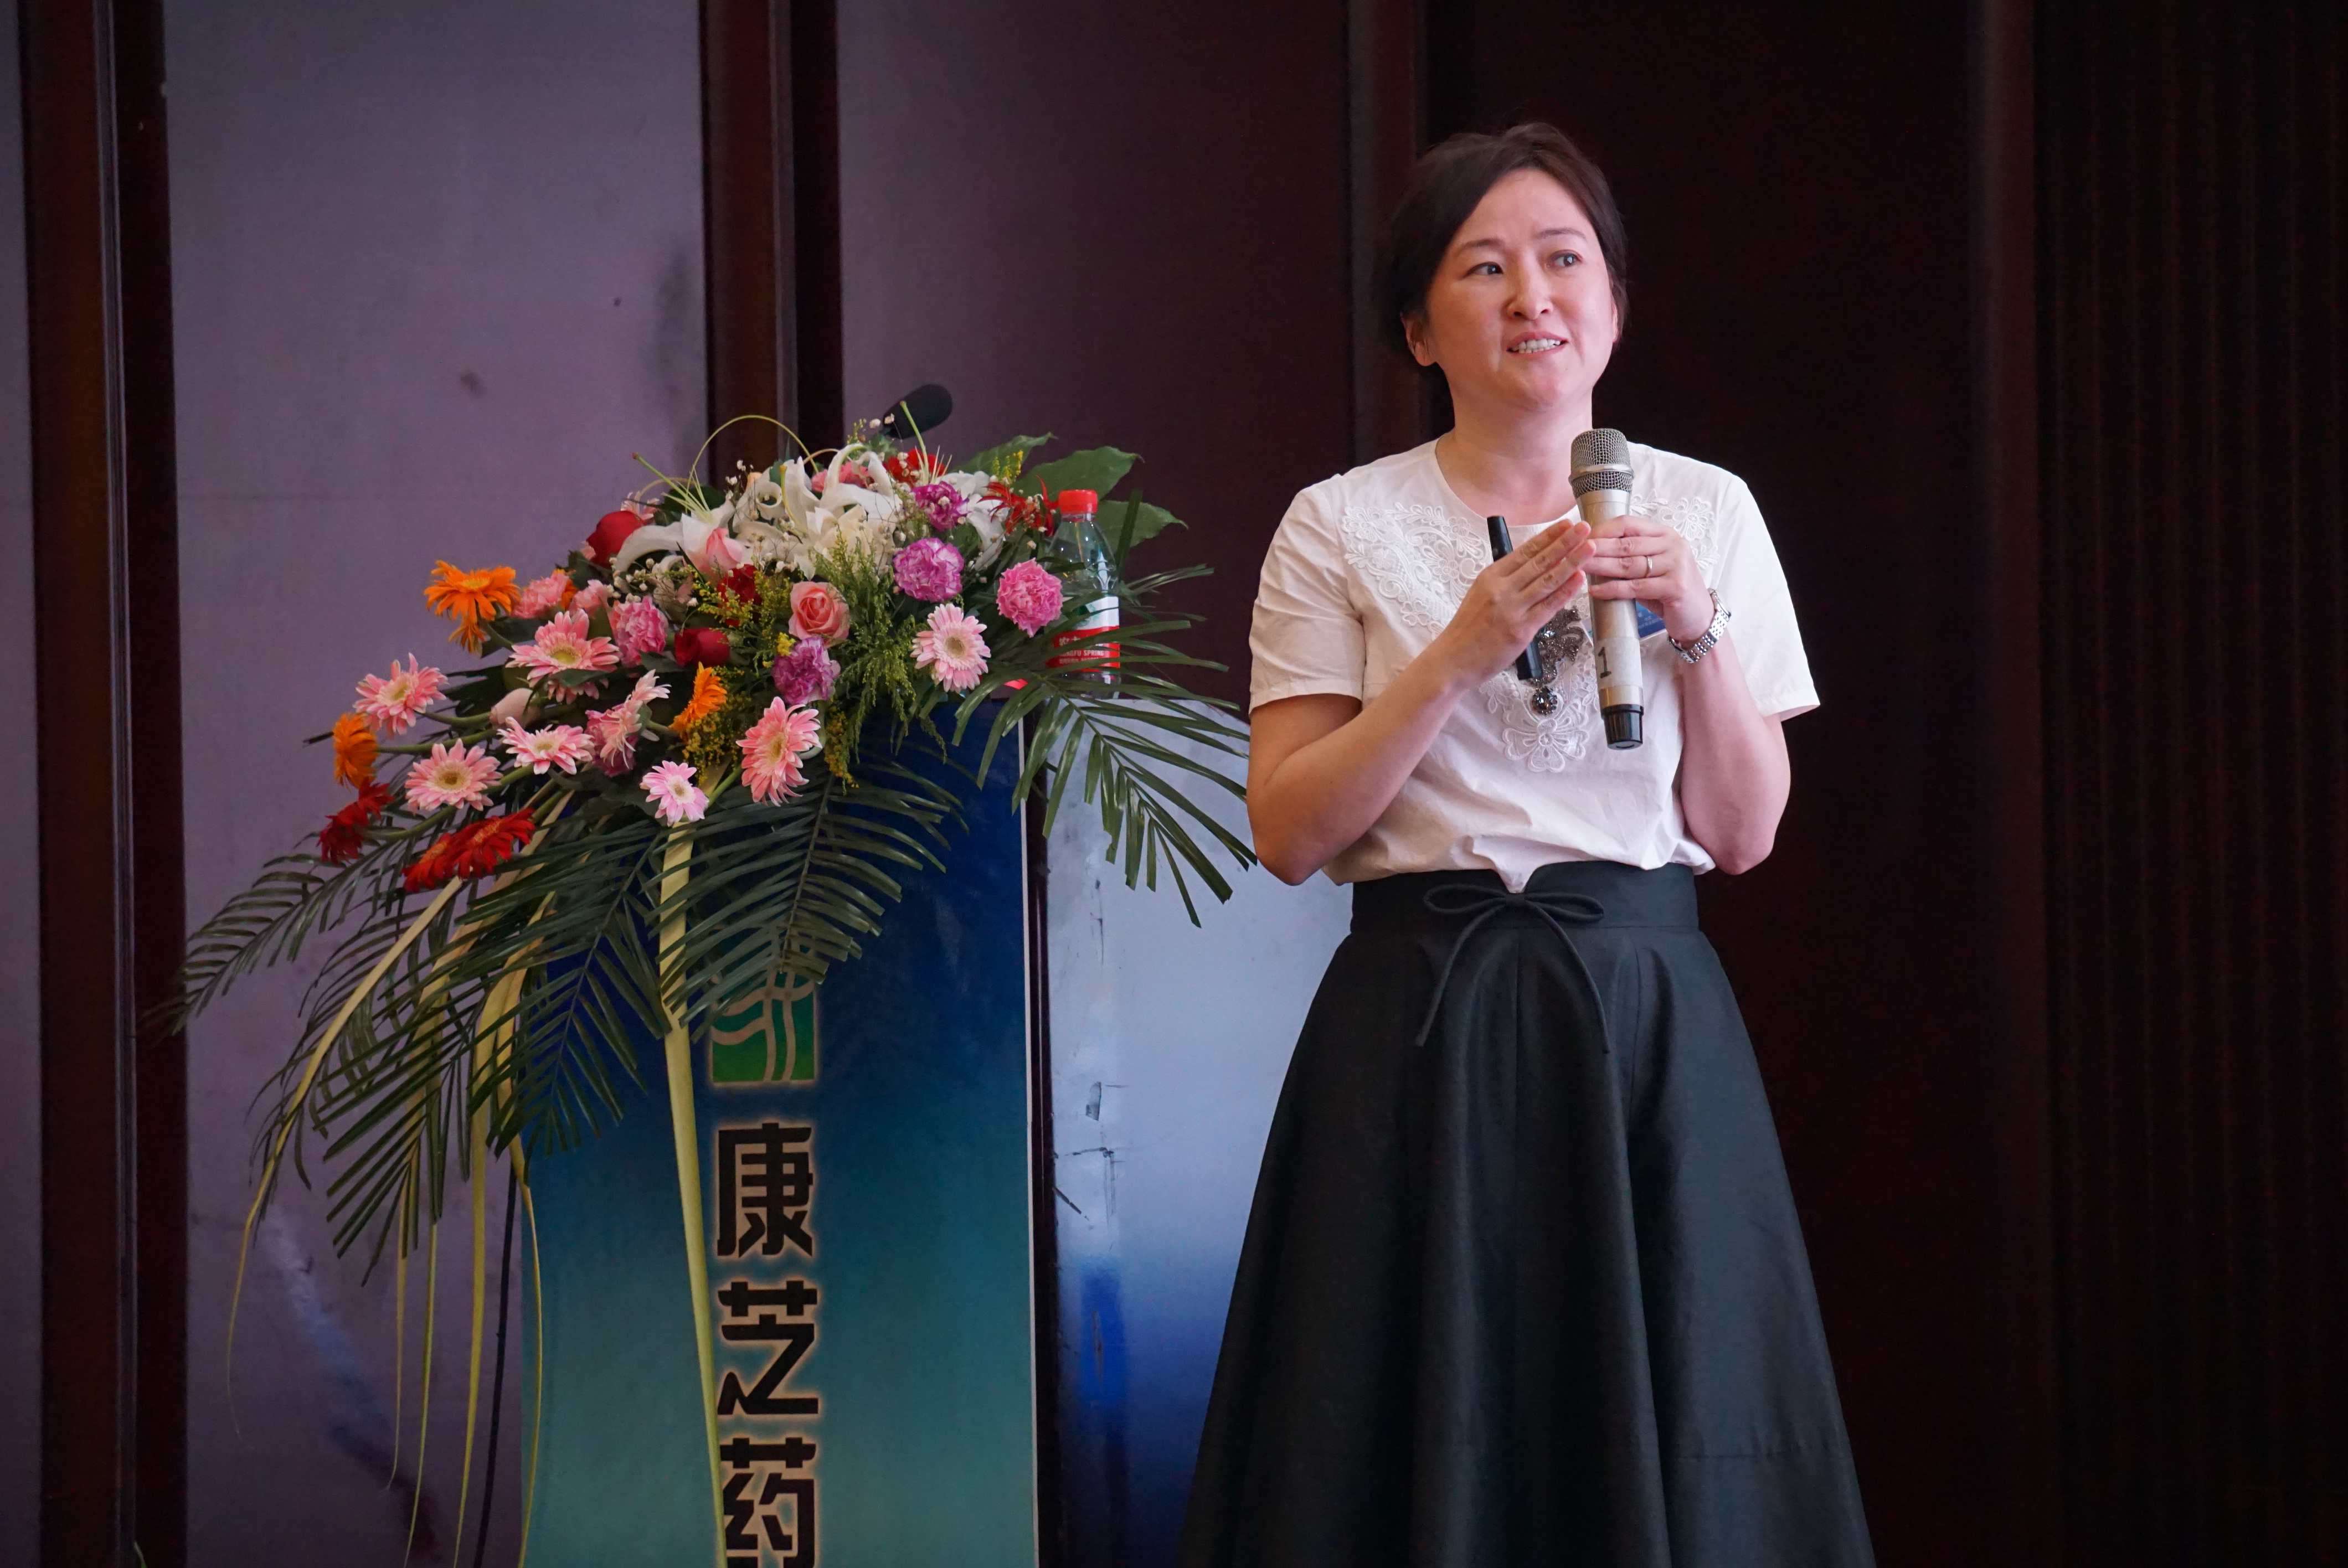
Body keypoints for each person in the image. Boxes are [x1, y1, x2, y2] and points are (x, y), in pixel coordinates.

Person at [1178, 123, 1876, 1566]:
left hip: (1638, 1016)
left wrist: (1695, 624)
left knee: (1669, 1420)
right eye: (1483, 268)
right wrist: (1454, 654)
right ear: (1418, 326)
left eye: (1564, 262)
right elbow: (1291, 830)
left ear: (1613, 306)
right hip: (1414, 1020)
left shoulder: (1706, 510)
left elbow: (1743, 831)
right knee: (1392, 1431)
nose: (1532, 298)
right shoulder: (1339, 524)